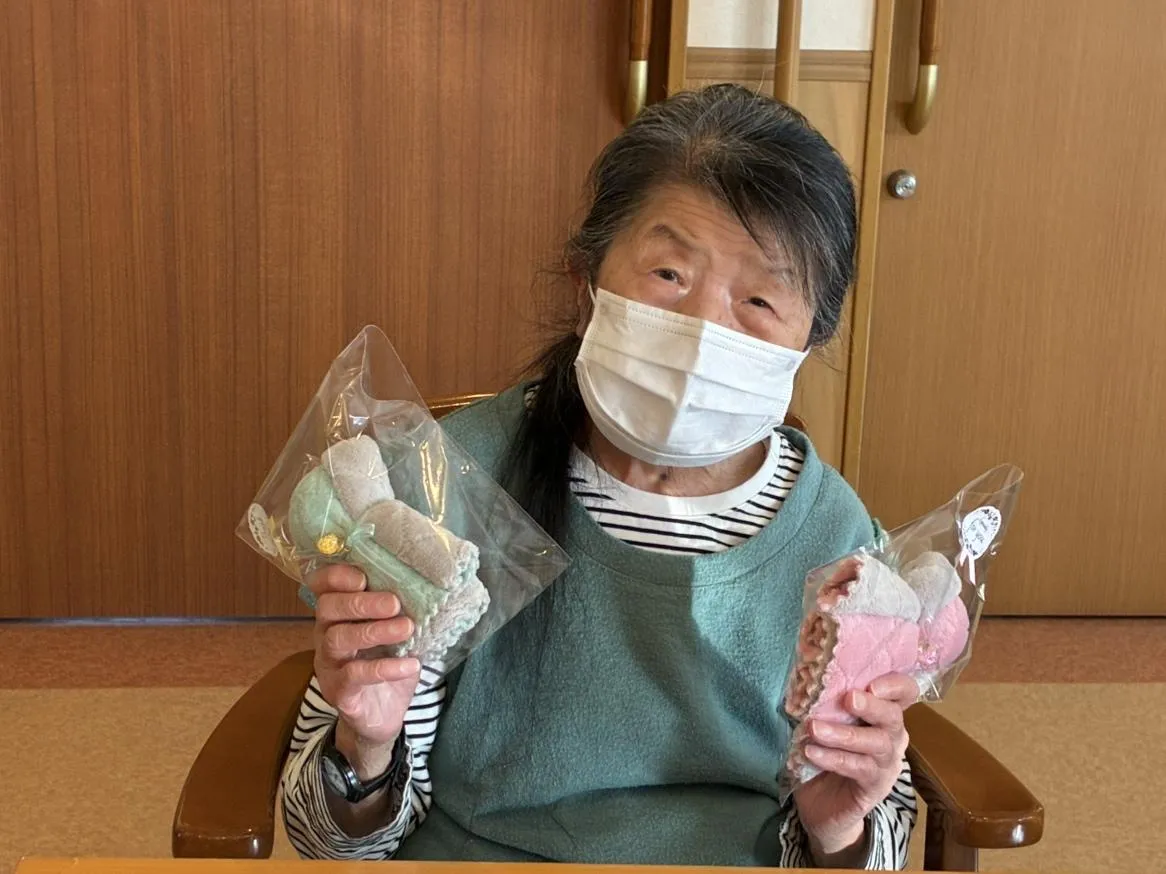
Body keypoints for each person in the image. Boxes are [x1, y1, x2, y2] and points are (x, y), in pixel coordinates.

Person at [281, 84, 917, 869]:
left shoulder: (836, 540)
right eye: (669, 274)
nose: (701, 330)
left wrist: (838, 832)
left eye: (759, 298)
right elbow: (327, 842)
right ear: (586, 282)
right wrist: (366, 748)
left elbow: (875, 826)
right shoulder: (446, 484)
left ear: (808, 341)